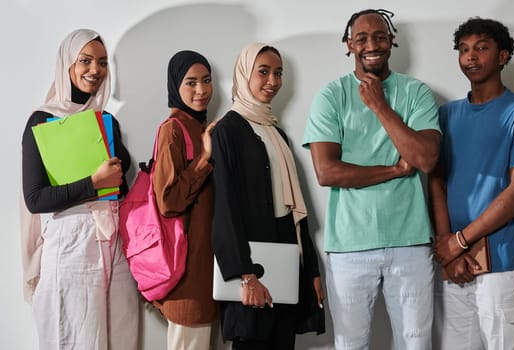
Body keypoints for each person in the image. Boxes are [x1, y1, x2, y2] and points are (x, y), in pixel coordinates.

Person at [303, 9, 440, 350]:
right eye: (361, 38)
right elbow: (327, 171)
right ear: (348, 44)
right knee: (350, 344)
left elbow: (425, 158)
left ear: (391, 41)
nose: (371, 45)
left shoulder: (415, 92)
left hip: (410, 242)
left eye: (379, 36)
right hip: (349, 245)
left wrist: (380, 106)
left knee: (415, 343)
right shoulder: (331, 96)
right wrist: (393, 170)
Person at [21, 28, 139, 349]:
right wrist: (93, 183)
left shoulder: (106, 121)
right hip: (71, 248)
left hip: (113, 245)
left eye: (102, 63)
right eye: (85, 61)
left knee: (121, 339)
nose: (95, 70)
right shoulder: (43, 121)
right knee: (75, 339)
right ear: (67, 64)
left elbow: (121, 188)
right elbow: (35, 198)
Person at [430, 18, 514, 350]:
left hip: (503, 263)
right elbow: (435, 180)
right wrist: (447, 245)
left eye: (482, 48)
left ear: (504, 55)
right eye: (464, 49)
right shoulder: (446, 114)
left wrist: (460, 241)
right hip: (455, 265)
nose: (471, 57)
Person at [211, 42, 325, 350]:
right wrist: (245, 276)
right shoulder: (228, 130)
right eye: (263, 72)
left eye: (278, 73)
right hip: (251, 266)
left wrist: (310, 271)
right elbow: (225, 209)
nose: (272, 81)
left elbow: (295, 213)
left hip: (285, 260)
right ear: (244, 73)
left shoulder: (277, 133)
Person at [150, 50, 219, 349]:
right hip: (187, 275)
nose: (201, 90)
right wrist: (204, 160)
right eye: (191, 82)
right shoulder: (172, 130)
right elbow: (168, 201)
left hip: (208, 271)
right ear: (175, 86)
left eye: (206, 80)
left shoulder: (203, 127)